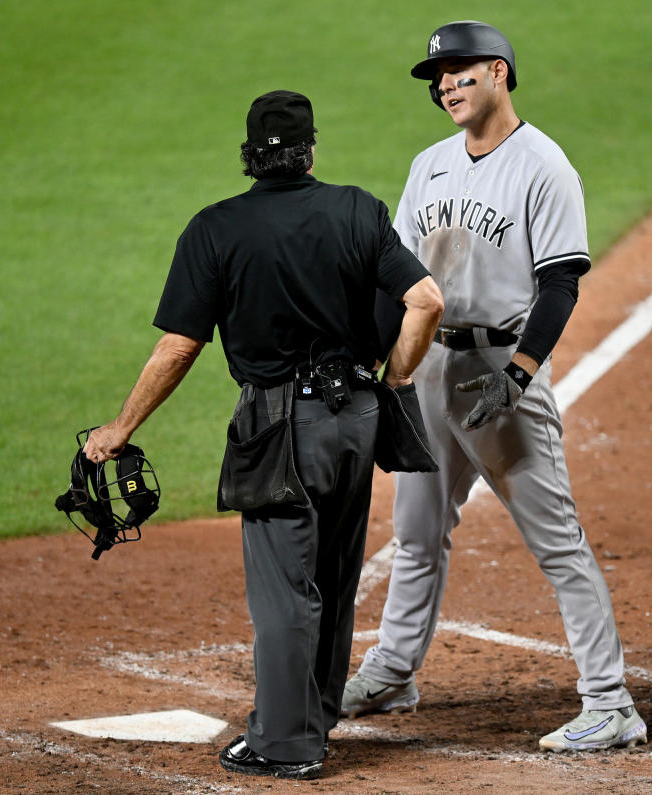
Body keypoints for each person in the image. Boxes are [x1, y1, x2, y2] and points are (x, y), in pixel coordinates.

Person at [83, 89, 444, 778]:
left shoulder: (215, 229)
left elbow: (180, 347)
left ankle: (286, 742)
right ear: (311, 148)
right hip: (357, 420)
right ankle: (318, 711)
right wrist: (394, 381)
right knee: (334, 575)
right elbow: (425, 302)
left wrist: (120, 427)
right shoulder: (358, 210)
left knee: (284, 588)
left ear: (250, 156)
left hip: (279, 428)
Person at [340, 21, 648, 752]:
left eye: (459, 71)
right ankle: (393, 670)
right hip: (429, 370)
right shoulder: (430, 166)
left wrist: (519, 375)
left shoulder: (544, 167)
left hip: (501, 367)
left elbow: (562, 284)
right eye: (438, 77)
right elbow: (403, 279)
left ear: (501, 73)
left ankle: (610, 702)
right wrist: (380, 368)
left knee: (556, 541)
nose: (445, 84)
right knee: (416, 533)